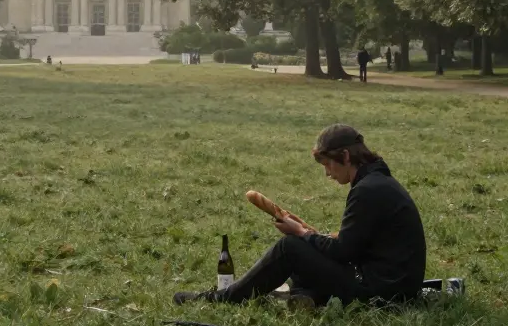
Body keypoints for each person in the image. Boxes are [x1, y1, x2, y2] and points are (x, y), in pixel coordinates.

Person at [174, 124, 426, 308]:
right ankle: (307, 298)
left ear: (345, 156)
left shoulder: (367, 190)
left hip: (383, 293)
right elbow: (358, 243)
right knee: (306, 254)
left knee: (290, 248)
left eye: (328, 164)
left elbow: (343, 251)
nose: (328, 173)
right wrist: (315, 238)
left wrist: (301, 233)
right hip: (395, 286)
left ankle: (223, 298)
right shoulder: (377, 181)